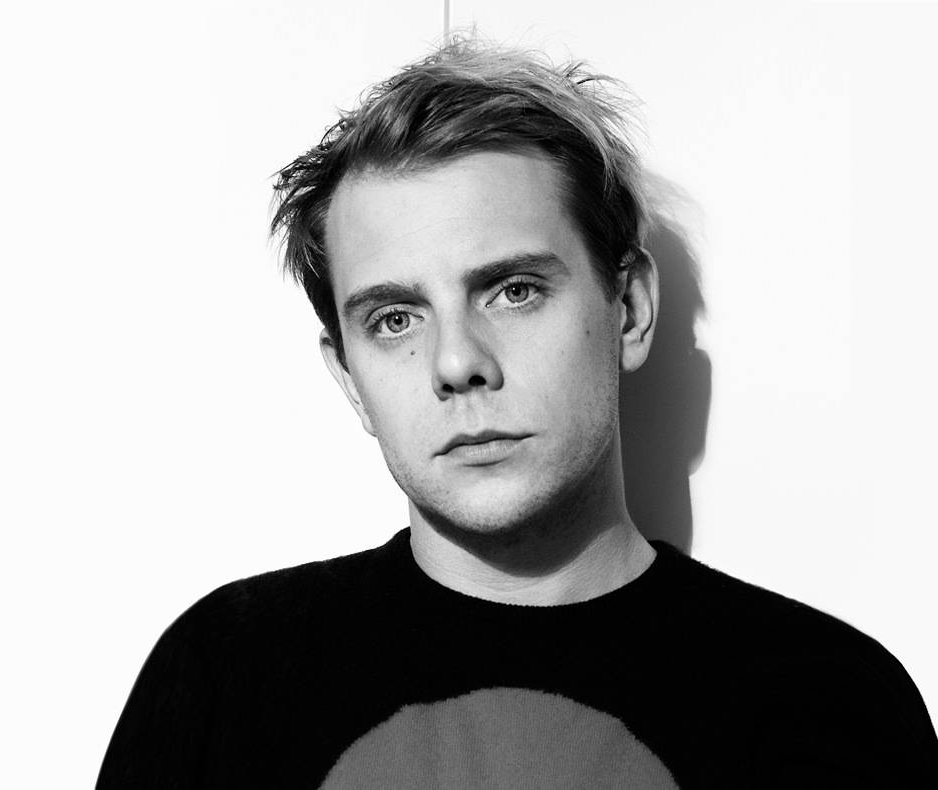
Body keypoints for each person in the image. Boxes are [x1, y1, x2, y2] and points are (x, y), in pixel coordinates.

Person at [95, 38, 938, 788]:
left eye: (514, 290)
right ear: (349, 378)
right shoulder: (226, 679)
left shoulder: (826, 699)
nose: (456, 363)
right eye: (395, 319)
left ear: (630, 309)